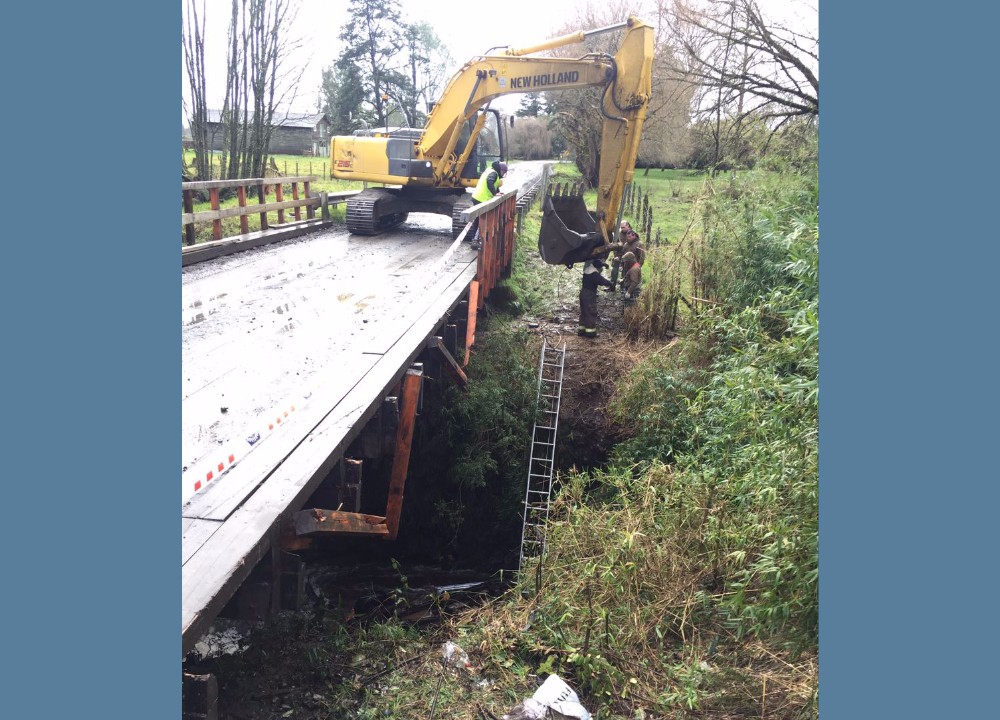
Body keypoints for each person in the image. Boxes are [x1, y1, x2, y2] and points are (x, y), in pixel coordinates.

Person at [468, 160, 508, 248]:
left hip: (477, 197)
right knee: (482, 220)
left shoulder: (490, 170)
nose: (503, 174)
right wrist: (494, 193)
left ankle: (475, 239)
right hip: (482, 199)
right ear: (499, 169)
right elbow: (490, 182)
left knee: (478, 220)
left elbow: (494, 185)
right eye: (503, 172)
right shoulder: (494, 173)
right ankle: (476, 240)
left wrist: (498, 192)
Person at [578, 257, 614, 338]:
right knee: (591, 312)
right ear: (597, 267)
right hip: (589, 295)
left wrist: (603, 264)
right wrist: (611, 284)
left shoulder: (587, 271)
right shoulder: (594, 274)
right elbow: (602, 281)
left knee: (584, 312)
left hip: (583, 293)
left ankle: (581, 331)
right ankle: (590, 333)